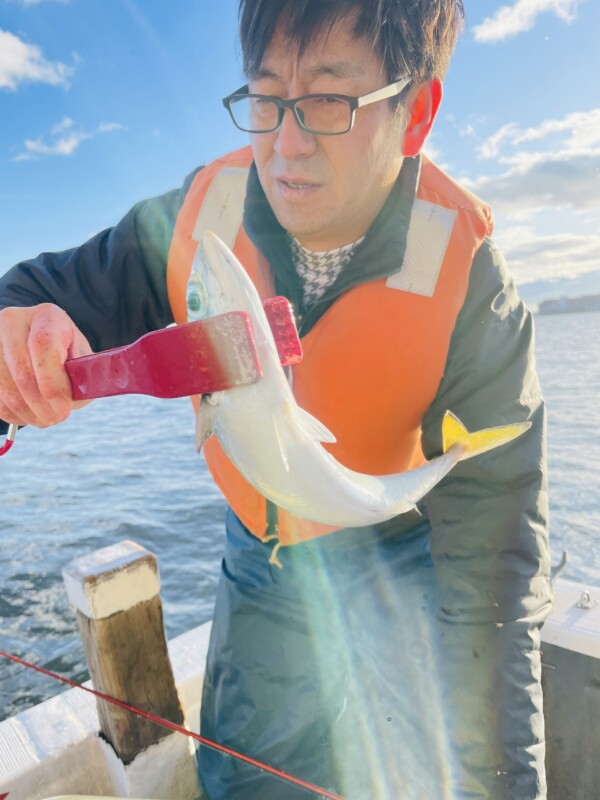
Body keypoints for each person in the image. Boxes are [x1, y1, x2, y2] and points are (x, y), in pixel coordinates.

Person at [0, 1, 551, 798]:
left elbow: (493, 567)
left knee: (407, 766)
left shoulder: (471, 281)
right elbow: (50, 291)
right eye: (265, 99)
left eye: (329, 101)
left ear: (415, 111)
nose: (286, 146)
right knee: (243, 777)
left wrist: (505, 781)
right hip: (259, 551)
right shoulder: (202, 211)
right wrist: (18, 336)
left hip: (403, 551)